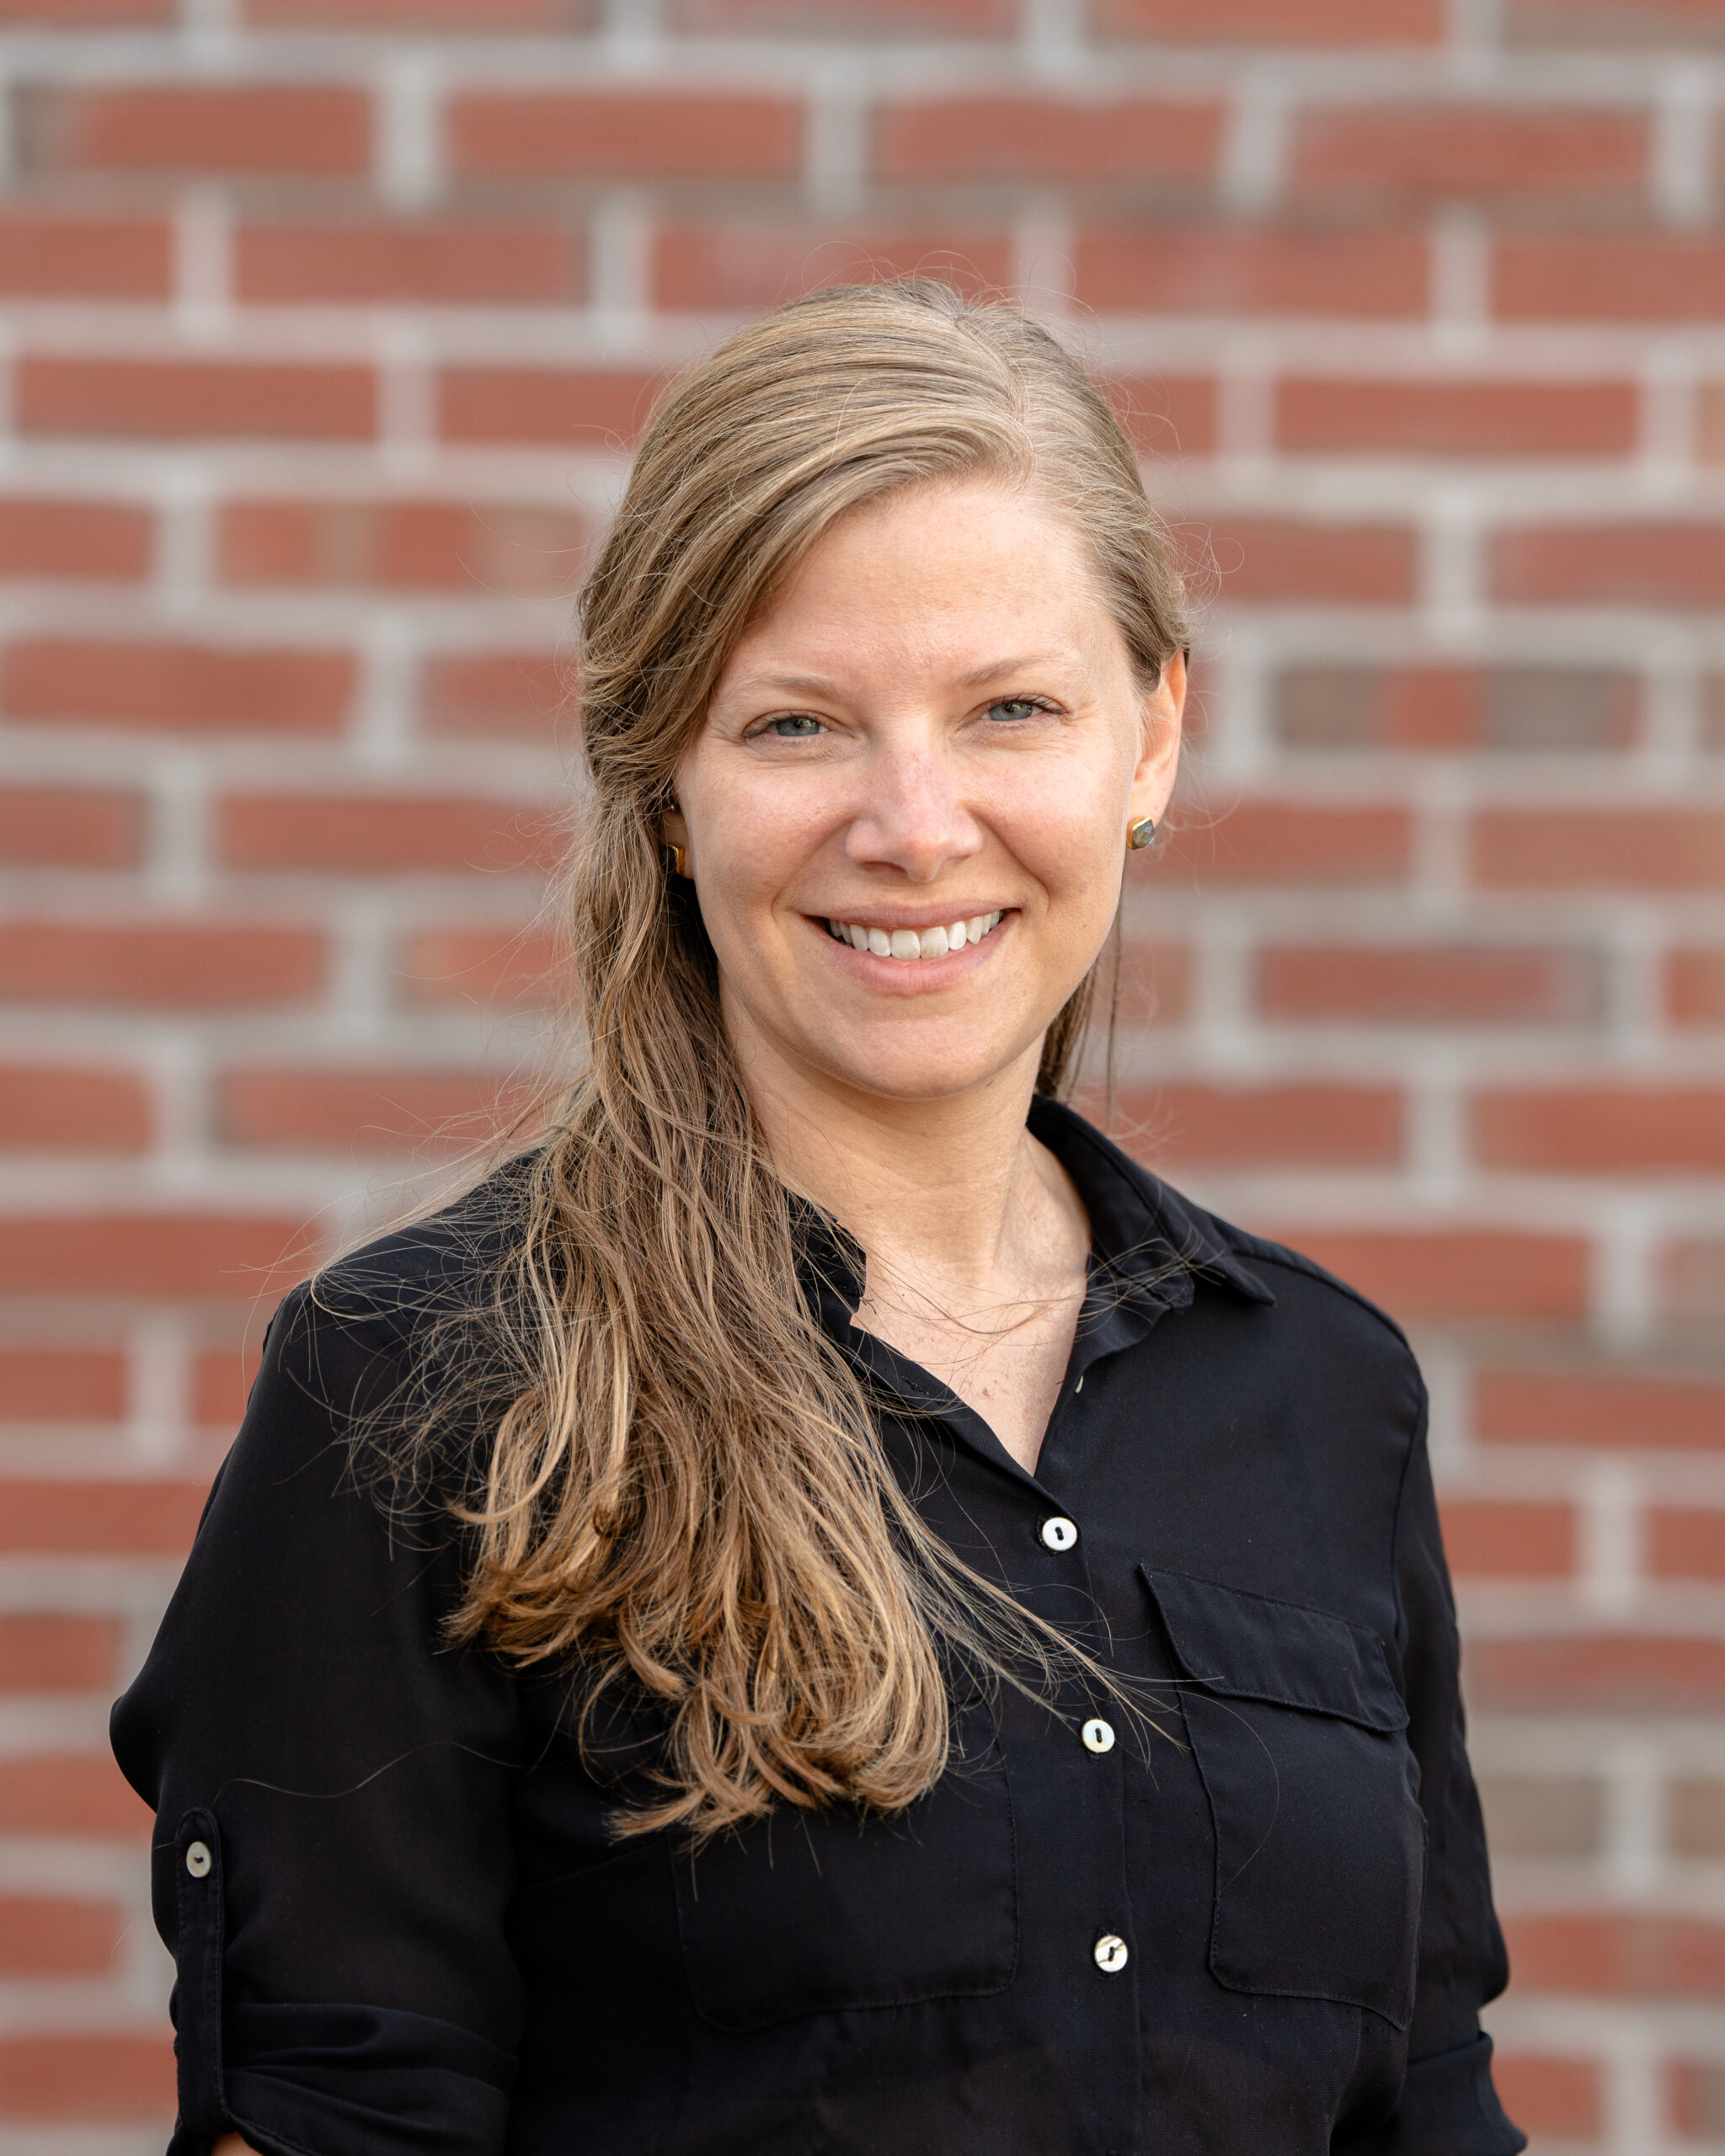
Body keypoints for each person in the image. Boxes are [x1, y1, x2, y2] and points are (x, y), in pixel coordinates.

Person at [113, 280, 1525, 2156]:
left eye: (1010, 707)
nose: (915, 823)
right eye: (798, 725)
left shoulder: (1323, 1387)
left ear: (1153, 739)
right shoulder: (422, 1383)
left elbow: (1423, 2101)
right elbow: (331, 2114)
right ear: (669, 788)